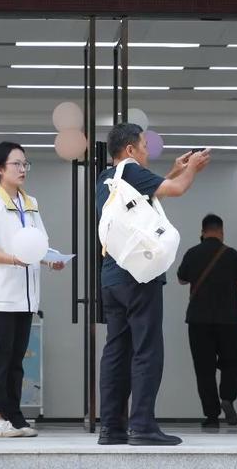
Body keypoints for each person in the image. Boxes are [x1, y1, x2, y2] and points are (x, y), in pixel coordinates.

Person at [96, 123, 210, 446]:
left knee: (116, 351)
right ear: (130, 150)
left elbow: (147, 197)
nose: (147, 151)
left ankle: (111, 428)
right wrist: (193, 169)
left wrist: (175, 170)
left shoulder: (105, 179)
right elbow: (176, 190)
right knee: (147, 350)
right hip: (139, 275)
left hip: (111, 276)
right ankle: (142, 426)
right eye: (144, 146)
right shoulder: (132, 171)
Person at [0, 142, 65, 438]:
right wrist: (15, 259)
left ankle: (14, 417)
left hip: (27, 297)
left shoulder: (31, 203)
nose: (23, 169)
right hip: (1, 296)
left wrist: (52, 260)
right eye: (16, 164)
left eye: (25, 164)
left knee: (16, 362)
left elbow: (39, 245)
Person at [177, 214, 237, 429]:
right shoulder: (232, 255)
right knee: (231, 361)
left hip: (198, 321)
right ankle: (228, 397)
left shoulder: (192, 253)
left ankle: (211, 416)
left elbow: (182, 279)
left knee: (204, 368)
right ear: (221, 231)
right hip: (227, 320)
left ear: (202, 232)